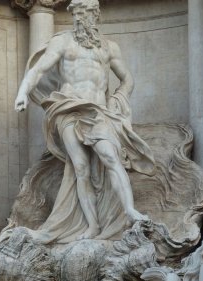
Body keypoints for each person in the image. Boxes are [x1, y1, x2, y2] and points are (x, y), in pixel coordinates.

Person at [14, 0, 156, 242]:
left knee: (110, 157)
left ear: (96, 16)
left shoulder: (109, 48)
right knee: (80, 167)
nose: (82, 18)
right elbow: (38, 70)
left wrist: (119, 98)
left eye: (88, 13)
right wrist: (22, 93)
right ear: (73, 16)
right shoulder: (62, 42)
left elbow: (127, 79)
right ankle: (91, 226)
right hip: (68, 108)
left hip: (98, 110)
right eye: (78, 14)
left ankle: (130, 210)